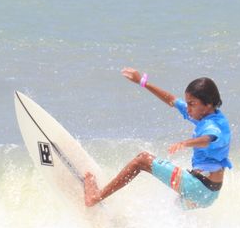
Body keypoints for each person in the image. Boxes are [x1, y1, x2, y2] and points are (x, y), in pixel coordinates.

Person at [84, 67, 231, 209]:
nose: (188, 108)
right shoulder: (207, 115)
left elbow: (207, 139)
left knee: (142, 160)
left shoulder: (212, 125)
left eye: (192, 104)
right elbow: (172, 100)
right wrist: (142, 82)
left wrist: (185, 143)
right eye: (187, 103)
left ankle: (95, 197)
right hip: (208, 195)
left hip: (198, 187)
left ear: (208, 104)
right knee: (171, 211)